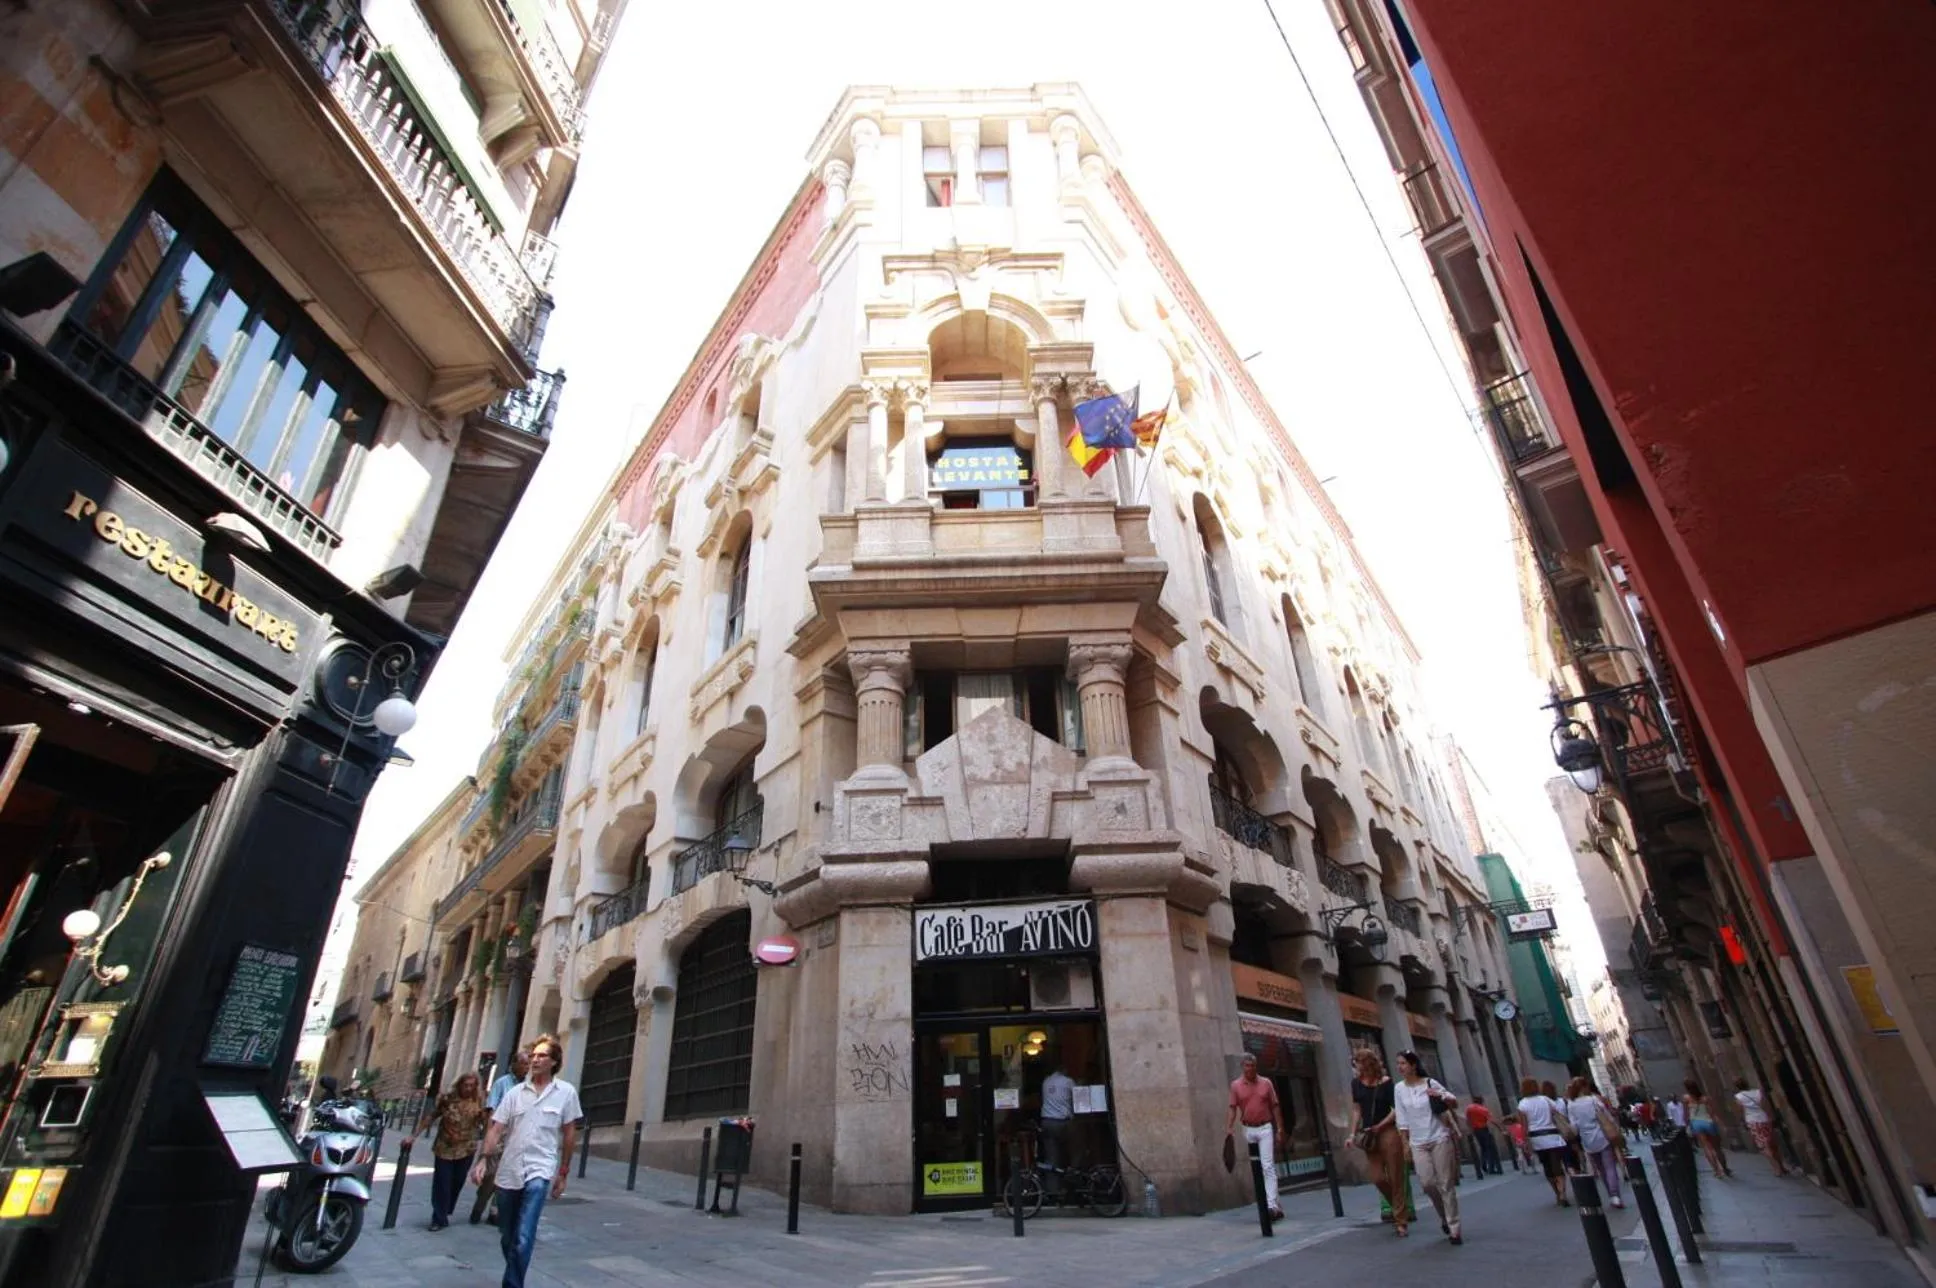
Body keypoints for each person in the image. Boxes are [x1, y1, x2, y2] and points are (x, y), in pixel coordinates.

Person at [473, 1034, 582, 1288]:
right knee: (508, 1235)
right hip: (509, 1170)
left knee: (524, 1235)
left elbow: (569, 1134)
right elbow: (496, 1129)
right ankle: (514, 1269)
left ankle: (512, 1284)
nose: (535, 1060)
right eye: (533, 1055)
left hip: (540, 1169)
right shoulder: (514, 1093)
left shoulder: (566, 1093)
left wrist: (563, 1172)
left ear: (554, 1062)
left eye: (542, 1056)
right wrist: (483, 1160)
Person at [1394, 1050, 1463, 1245]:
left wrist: (1440, 1096)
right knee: (1427, 1183)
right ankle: (1444, 1216)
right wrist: (1405, 1143)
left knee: (1446, 1183)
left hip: (1439, 1137)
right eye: (1398, 1063)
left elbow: (1454, 1102)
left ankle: (1454, 1227)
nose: (1400, 1067)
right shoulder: (1399, 1088)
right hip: (1418, 1142)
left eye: (1403, 1063)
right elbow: (1401, 1117)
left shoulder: (1430, 1083)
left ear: (1413, 1065)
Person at [406, 1072, 489, 1231]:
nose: (468, 1088)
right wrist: (413, 1136)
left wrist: (486, 1148)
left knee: (457, 1182)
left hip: (466, 1149)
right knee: (442, 1183)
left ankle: (445, 1209)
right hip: (444, 1148)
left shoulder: (479, 1101)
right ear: (459, 1085)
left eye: (472, 1086)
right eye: (465, 1085)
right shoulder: (447, 1099)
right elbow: (431, 1117)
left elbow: (486, 1124)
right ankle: (438, 1217)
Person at [1347, 1048, 1413, 1235]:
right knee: (1377, 1178)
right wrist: (1352, 1134)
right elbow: (1357, 1110)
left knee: (1395, 1175)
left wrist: (1381, 1125)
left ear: (1366, 1063)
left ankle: (1401, 1221)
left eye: (1357, 1063)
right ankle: (1399, 1208)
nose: (1355, 1067)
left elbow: (1396, 1109)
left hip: (1388, 1131)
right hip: (1369, 1135)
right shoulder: (1356, 1084)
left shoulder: (1386, 1083)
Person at [471, 1050, 531, 1225]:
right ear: (514, 1064)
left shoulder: (529, 1086)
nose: (527, 1067)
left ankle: (495, 1212)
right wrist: (489, 1136)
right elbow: (491, 1111)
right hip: (499, 1133)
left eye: (528, 1064)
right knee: (490, 1175)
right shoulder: (502, 1083)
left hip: (517, 1136)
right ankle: (479, 1206)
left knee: (506, 1174)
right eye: (524, 1063)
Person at [1224, 1053, 1285, 1219]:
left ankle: (1271, 1205)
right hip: (1248, 1129)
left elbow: (1275, 1106)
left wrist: (1280, 1129)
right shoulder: (1236, 1085)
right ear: (1242, 1067)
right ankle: (1274, 1202)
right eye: (1247, 1066)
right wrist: (1229, 1127)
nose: (1249, 1069)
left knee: (1267, 1165)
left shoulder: (1266, 1083)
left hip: (1265, 1127)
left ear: (1256, 1067)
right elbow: (1232, 1107)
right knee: (1256, 1167)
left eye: (1252, 1066)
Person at [1565, 1077, 1625, 1209]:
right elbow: (1606, 1115)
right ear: (1584, 1087)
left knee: (1601, 1169)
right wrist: (1615, 1126)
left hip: (1587, 1140)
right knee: (1610, 1166)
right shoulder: (1593, 1100)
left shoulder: (1571, 1104)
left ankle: (1611, 1195)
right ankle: (1615, 1195)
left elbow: (1574, 1126)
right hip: (1602, 1136)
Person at [1515, 1077, 1574, 1206]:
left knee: (1547, 1167)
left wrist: (1526, 1142)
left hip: (1537, 1138)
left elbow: (1524, 1125)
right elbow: (1556, 1114)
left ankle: (1557, 1193)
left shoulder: (1522, 1104)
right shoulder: (1545, 1100)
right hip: (1552, 1136)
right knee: (1557, 1165)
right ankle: (1562, 1192)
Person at [1733, 1077, 1786, 1176]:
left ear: (1737, 1087)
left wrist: (1743, 1121)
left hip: (1753, 1122)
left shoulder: (1739, 1097)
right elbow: (1765, 1106)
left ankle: (1776, 1168)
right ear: (1747, 1083)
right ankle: (1782, 1166)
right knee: (1772, 1144)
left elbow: (1741, 1110)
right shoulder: (1758, 1092)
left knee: (1763, 1146)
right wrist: (1771, 1116)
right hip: (1764, 1119)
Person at [1683, 1079, 1732, 1177]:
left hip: (1696, 1123)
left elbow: (1686, 1115)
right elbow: (1713, 1113)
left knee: (1707, 1148)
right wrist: (1721, 1125)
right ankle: (1725, 1169)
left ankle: (1717, 1171)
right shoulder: (1705, 1099)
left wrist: (1687, 1125)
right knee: (1717, 1148)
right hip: (1708, 1122)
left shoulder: (1686, 1099)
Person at [1039, 1062, 1076, 1191]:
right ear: (1064, 1070)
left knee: (1051, 1158)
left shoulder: (1046, 1081)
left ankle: (1053, 1190)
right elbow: (1078, 1098)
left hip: (1047, 1122)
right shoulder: (1068, 1082)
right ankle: (1072, 1187)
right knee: (1071, 1154)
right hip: (1063, 1122)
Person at [1464, 1094, 1501, 1175]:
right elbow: (1492, 1120)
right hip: (1483, 1129)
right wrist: (1501, 1128)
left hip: (1475, 1130)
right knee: (1490, 1149)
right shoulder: (1483, 1109)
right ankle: (1491, 1168)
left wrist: (1470, 1129)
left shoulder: (1469, 1108)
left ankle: (1483, 1164)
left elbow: (1467, 1120)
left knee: (1483, 1148)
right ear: (1481, 1101)